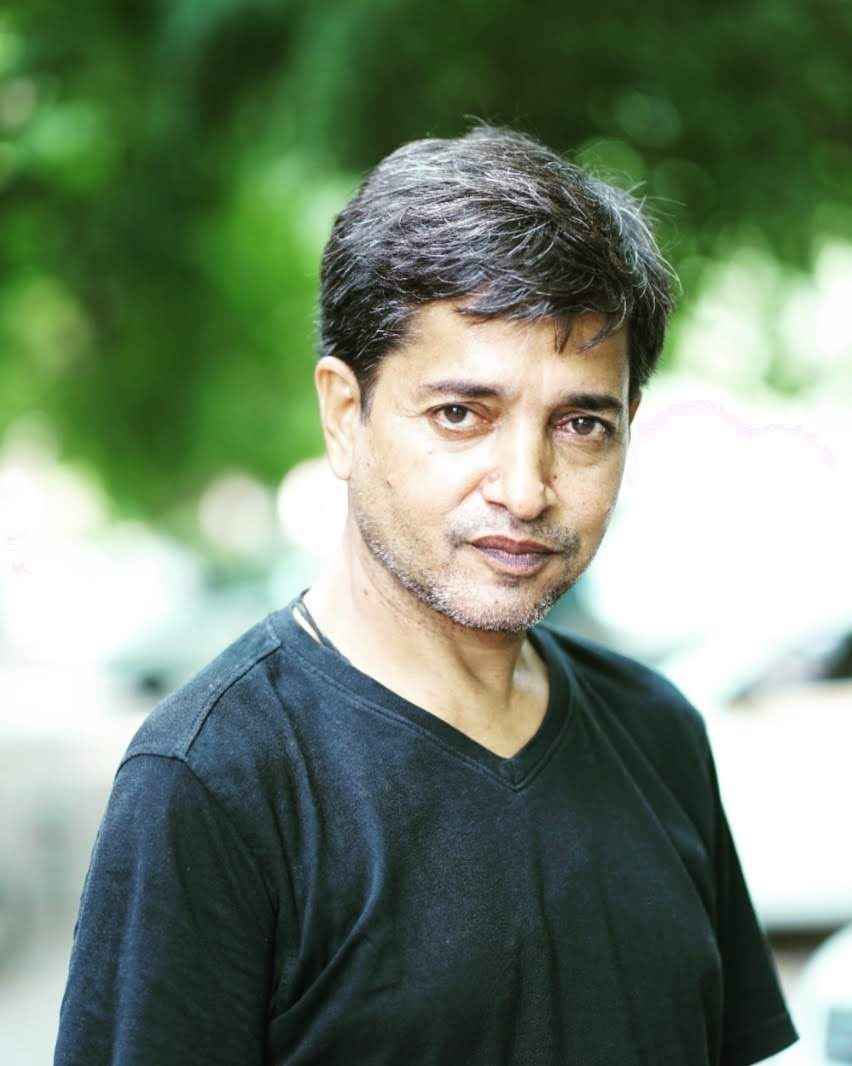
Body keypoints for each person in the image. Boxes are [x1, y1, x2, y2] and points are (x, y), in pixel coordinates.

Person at [54, 124, 799, 1066]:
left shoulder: (659, 734)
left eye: (579, 425)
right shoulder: (215, 782)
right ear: (345, 413)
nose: (525, 489)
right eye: (460, 414)